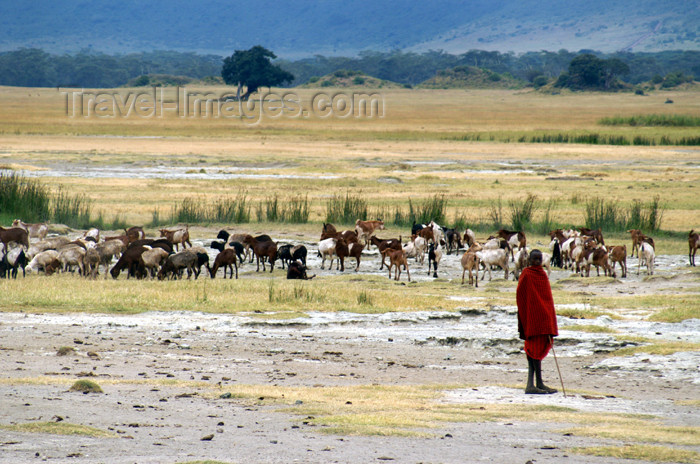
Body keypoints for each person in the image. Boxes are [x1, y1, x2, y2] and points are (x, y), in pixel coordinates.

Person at [516, 249, 559, 394]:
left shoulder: (542, 275)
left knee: (538, 351)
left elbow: (547, 299)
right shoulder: (527, 274)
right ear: (529, 260)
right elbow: (521, 296)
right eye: (534, 259)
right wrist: (527, 315)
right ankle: (530, 384)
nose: (537, 262)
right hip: (531, 319)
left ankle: (539, 383)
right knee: (532, 351)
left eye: (539, 259)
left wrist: (549, 318)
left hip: (543, 319)